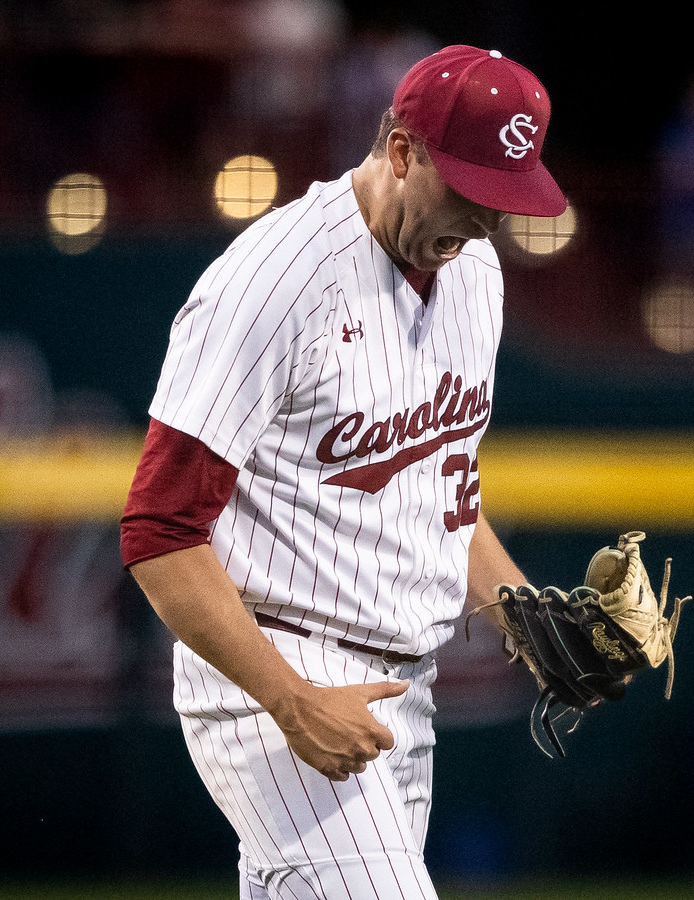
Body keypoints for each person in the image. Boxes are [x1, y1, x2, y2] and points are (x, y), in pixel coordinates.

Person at [119, 45, 567, 900]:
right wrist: (289, 699)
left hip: (404, 687)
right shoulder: (274, 281)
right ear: (402, 152)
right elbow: (160, 530)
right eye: (470, 194)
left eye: (503, 203)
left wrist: (525, 615)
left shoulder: (476, 272)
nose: (484, 223)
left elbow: (437, 491)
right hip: (273, 673)